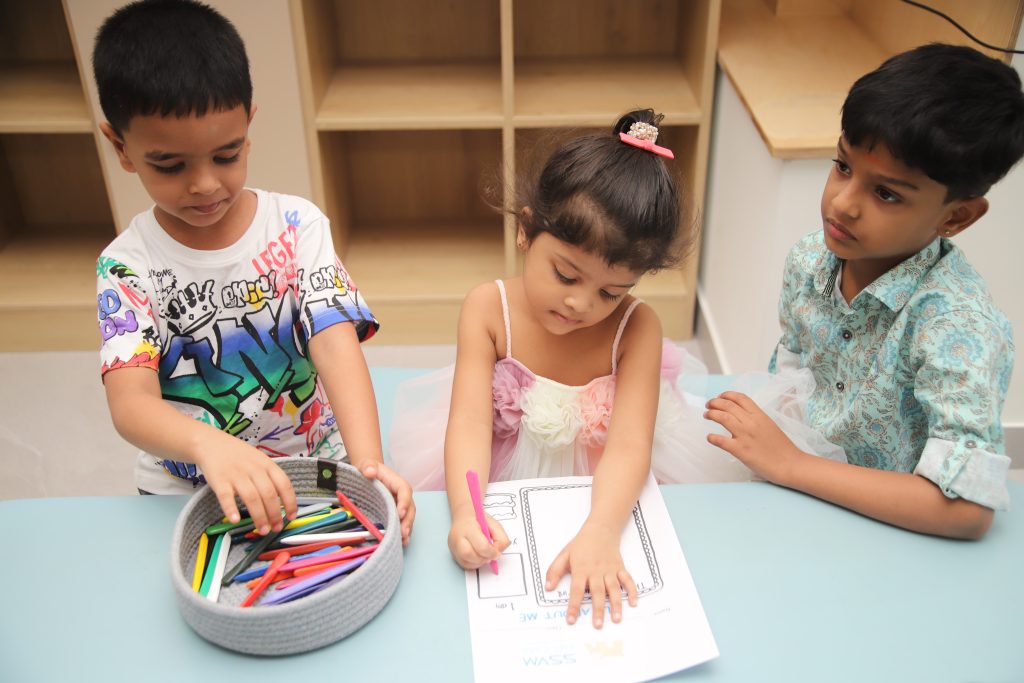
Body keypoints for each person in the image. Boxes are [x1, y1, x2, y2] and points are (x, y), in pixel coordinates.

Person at [389, 109, 840, 627]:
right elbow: (467, 420)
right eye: (565, 274)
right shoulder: (487, 308)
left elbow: (629, 444)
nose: (581, 304)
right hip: (503, 459)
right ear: (526, 230)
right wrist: (467, 512)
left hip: (611, 473)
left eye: (610, 292)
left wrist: (602, 530)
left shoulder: (637, 328)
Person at [92, 0, 414, 543]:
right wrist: (208, 445)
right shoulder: (126, 267)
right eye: (170, 165)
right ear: (121, 147)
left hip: (313, 452)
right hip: (191, 479)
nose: (205, 185)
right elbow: (130, 404)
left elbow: (336, 345)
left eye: (227, 154)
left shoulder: (297, 225)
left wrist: (370, 465)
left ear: (250, 124)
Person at [705, 43, 1024, 540]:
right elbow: (794, 367)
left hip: (891, 531)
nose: (843, 203)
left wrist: (789, 466)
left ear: (955, 217)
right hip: (795, 493)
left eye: (886, 193)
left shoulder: (957, 327)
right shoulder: (810, 259)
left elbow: (967, 512)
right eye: (843, 166)